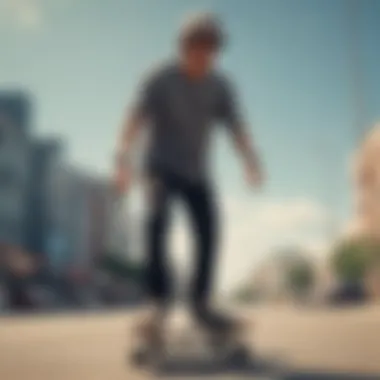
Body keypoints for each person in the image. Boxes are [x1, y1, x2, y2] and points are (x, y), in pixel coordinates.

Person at [114, 13, 264, 340]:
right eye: (196, 48)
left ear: (216, 51)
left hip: (196, 172)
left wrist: (250, 160)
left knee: (210, 229)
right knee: (157, 218)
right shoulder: (160, 78)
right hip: (159, 167)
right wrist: (122, 159)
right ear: (183, 47)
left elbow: (237, 127)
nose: (203, 56)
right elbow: (134, 118)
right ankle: (157, 302)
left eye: (210, 50)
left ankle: (201, 304)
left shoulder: (220, 86)